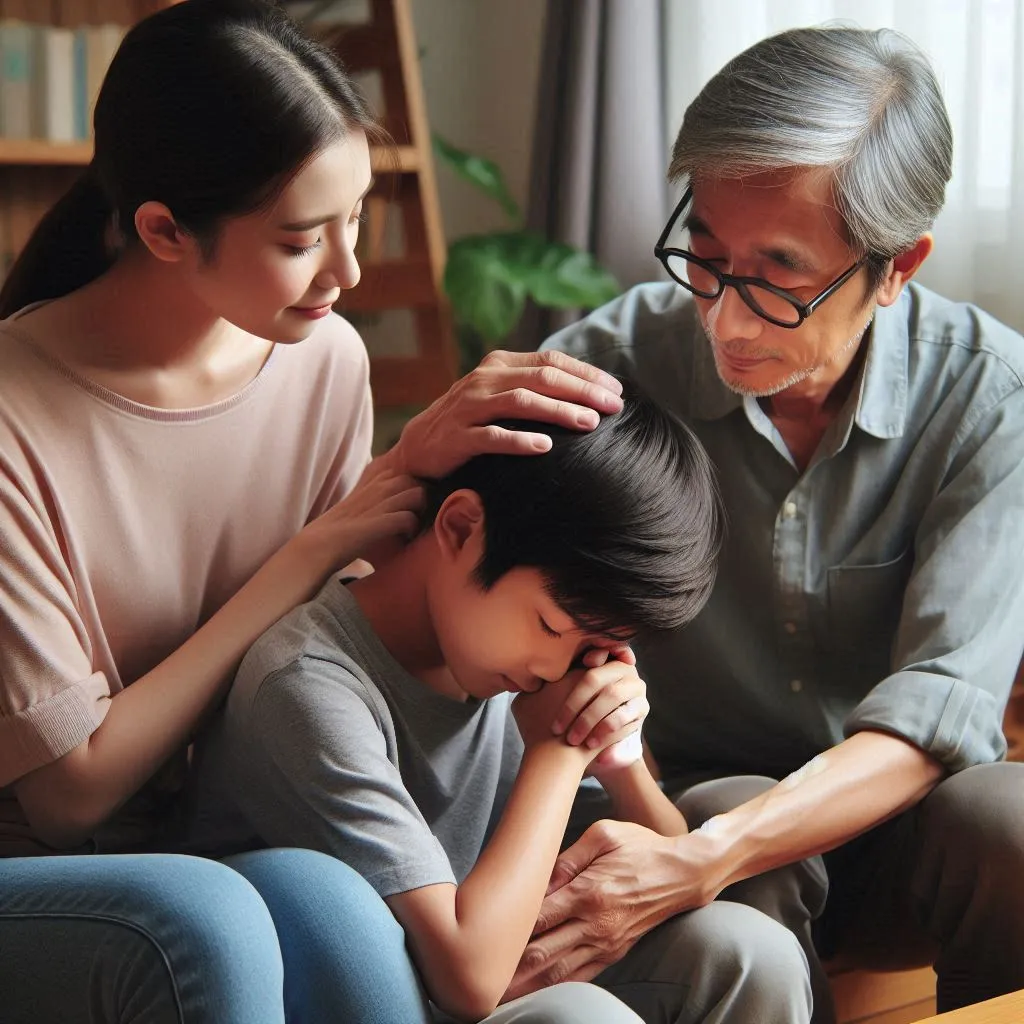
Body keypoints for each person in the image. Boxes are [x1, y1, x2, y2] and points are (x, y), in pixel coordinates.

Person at [0, 3, 624, 1023]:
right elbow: (70, 793)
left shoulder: (321, 358)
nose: (345, 271)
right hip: (48, 869)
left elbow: (320, 645)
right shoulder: (13, 417)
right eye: (301, 239)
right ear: (162, 228)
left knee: (326, 896)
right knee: (207, 914)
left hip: (207, 832)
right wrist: (307, 553)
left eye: (356, 217)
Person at [508, 24, 1024, 1024]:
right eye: (703, 251)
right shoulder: (609, 368)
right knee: (727, 816)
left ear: (897, 266)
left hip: (895, 816)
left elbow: (940, 710)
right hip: (682, 794)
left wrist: (706, 859)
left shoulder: (990, 398)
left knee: (1007, 820)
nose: (726, 319)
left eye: (778, 276)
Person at [190, 388, 722, 1023]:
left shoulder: (504, 656)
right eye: (552, 627)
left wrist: (617, 753)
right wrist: (559, 753)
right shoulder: (306, 686)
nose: (555, 668)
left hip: (486, 964)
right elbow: (469, 980)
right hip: (374, 998)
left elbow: (672, 872)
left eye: (596, 647)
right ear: (461, 528)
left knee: (737, 950)